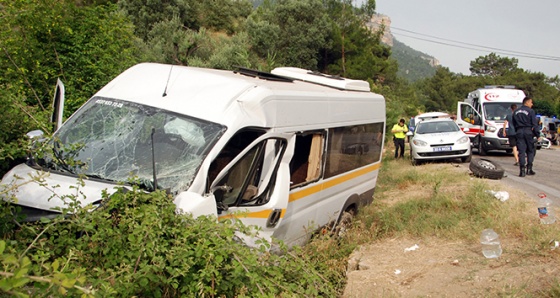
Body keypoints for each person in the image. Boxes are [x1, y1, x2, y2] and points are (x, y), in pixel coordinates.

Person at [512, 97, 539, 177]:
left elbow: (514, 123)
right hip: (528, 131)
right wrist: (537, 134)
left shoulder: (516, 111)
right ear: (527, 102)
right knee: (530, 150)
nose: (532, 104)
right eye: (531, 102)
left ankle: (522, 171)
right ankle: (529, 169)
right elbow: (535, 124)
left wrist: (518, 131)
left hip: (519, 131)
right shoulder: (531, 111)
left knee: (521, 151)